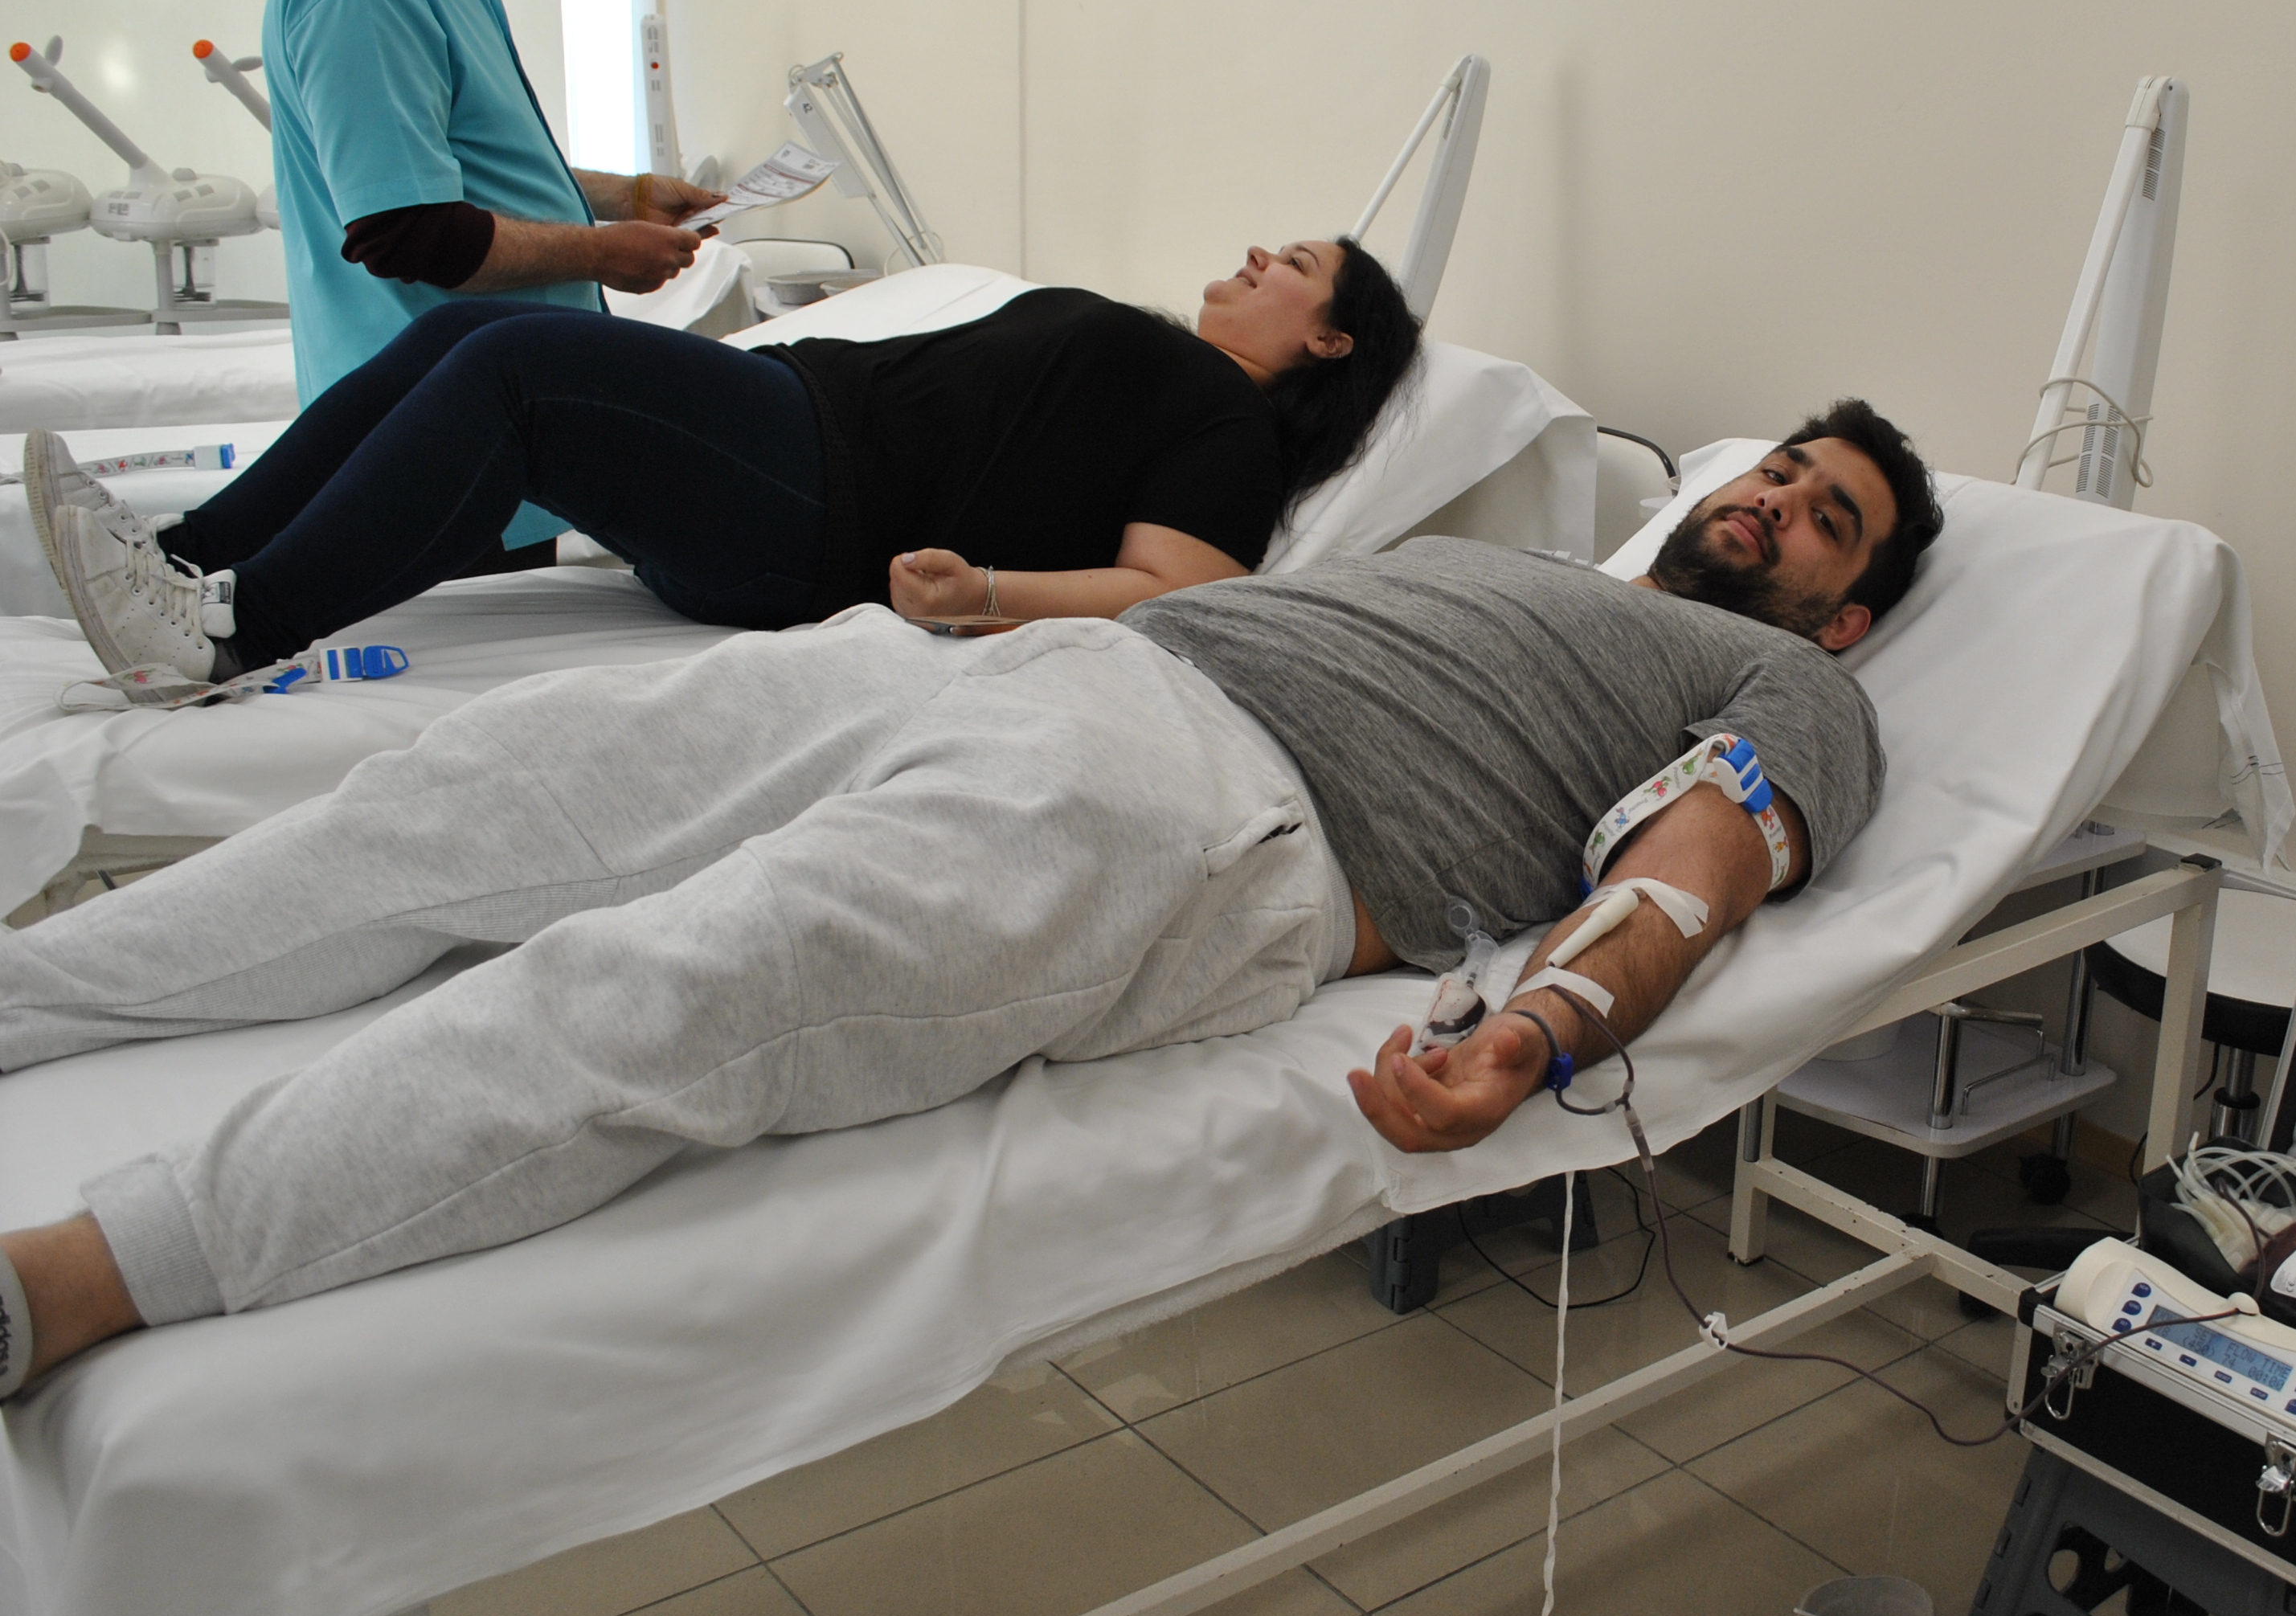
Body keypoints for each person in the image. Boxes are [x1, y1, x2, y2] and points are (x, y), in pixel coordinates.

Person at [0, 403, 1946, 1394]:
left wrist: (1543, 1026)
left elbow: (1694, 871)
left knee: (683, 982)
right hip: (1025, 673)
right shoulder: (1539, 569)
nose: (1773, 500)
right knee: (465, 794)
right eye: (1780, 467)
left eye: (1823, 517)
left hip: (1218, 812)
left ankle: (73, 1282)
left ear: (1845, 609)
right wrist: (998, 609)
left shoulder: (1790, 689)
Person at [26, 236, 1418, 682]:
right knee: (466, 331)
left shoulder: (1230, 430)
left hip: (815, 502)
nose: (1257, 253)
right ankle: (190, 562)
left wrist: (985, 591)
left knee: (516, 373)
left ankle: (229, 635)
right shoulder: (1177, 367)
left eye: (1294, 263)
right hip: (790, 439)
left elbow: (1177, 591)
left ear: (1332, 340)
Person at [267, 0, 726, 558]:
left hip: (483, 427)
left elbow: (451, 161)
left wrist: (621, 196)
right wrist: (601, 253)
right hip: (439, 438)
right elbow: (410, 233)